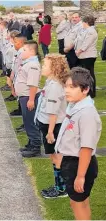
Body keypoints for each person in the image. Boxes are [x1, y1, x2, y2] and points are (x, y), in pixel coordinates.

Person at [56, 67, 101, 220]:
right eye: (66, 86)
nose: (67, 90)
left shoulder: (87, 113)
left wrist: (80, 176)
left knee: (78, 204)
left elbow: (86, 148)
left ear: (85, 89)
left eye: (72, 87)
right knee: (79, 202)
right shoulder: (75, 106)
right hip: (72, 162)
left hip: (80, 164)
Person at [35, 54, 70, 199]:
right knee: (54, 156)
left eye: (45, 65)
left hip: (53, 127)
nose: (42, 67)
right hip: (49, 125)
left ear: (54, 68)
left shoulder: (55, 86)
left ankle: (61, 188)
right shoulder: (51, 82)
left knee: (57, 157)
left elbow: (53, 112)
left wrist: (50, 132)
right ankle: (59, 185)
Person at [14, 40, 42, 157]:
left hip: (29, 97)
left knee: (31, 122)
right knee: (27, 121)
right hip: (24, 96)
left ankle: (35, 146)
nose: (22, 52)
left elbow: (33, 84)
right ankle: (31, 143)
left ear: (31, 51)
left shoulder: (33, 65)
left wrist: (31, 100)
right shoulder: (28, 63)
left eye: (24, 50)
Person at [75, 15, 98, 98]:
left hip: (88, 55)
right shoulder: (86, 30)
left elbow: (86, 43)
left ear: (86, 22)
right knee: (86, 74)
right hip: (84, 55)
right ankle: (88, 91)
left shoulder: (91, 31)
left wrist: (79, 50)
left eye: (83, 22)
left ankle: (91, 92)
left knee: (89, 74)